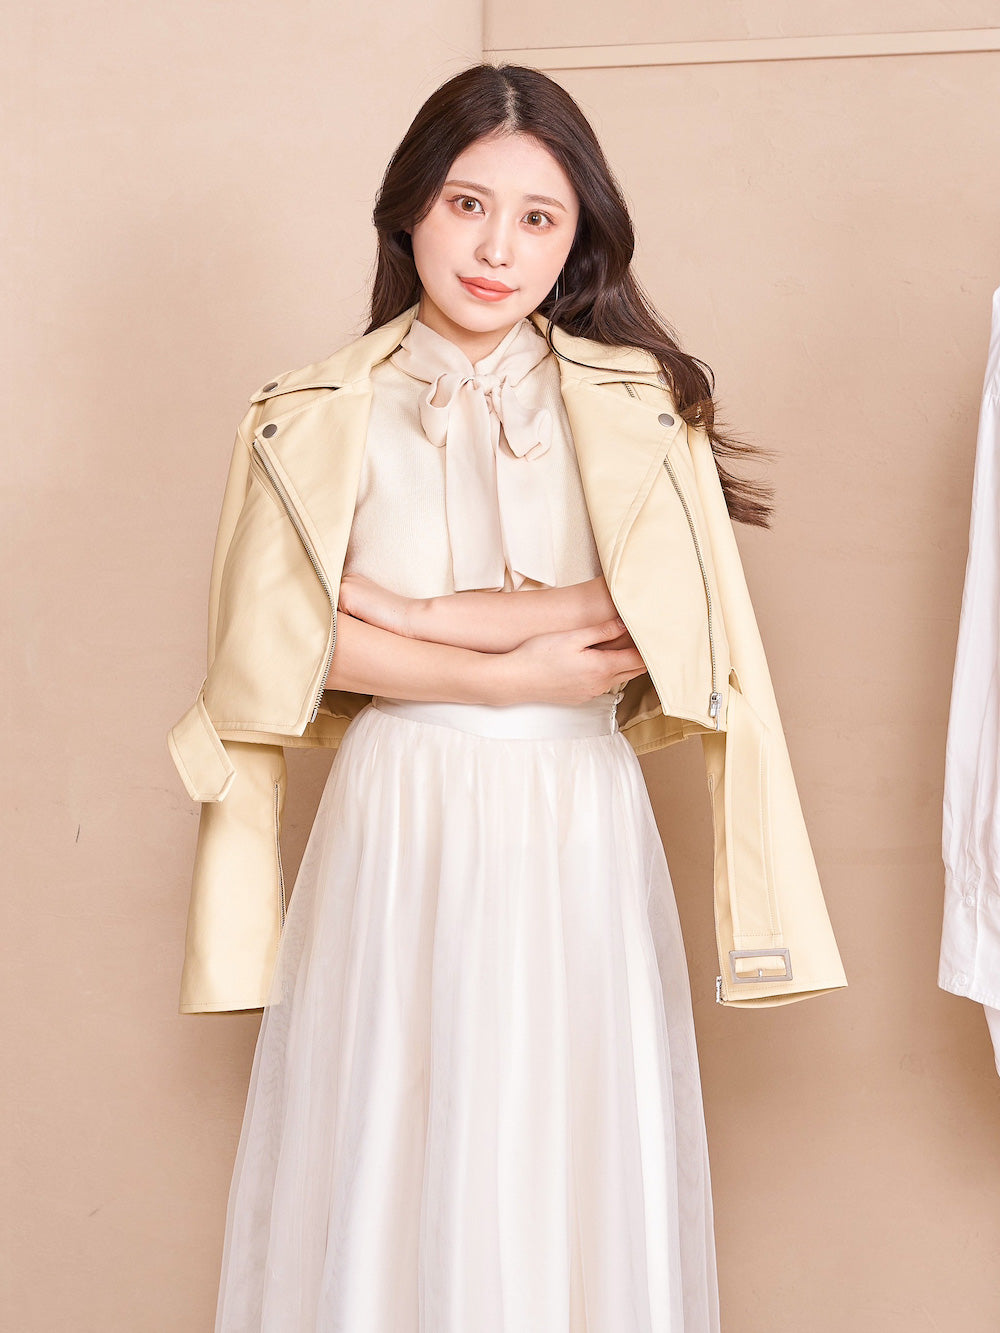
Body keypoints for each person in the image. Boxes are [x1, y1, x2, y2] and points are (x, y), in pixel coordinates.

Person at [169, 61, 848, 1333]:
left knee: (560, 1139)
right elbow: (280, 656)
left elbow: (648, 622)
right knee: (394, 1130)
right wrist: (516, 664)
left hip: (574, 817)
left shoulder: (639, 406)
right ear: (409, 208)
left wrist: (421, 618)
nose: (497, 250)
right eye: (467, 204)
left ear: (577, 235)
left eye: (538, 217)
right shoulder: (312, 411)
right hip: (399, 816)